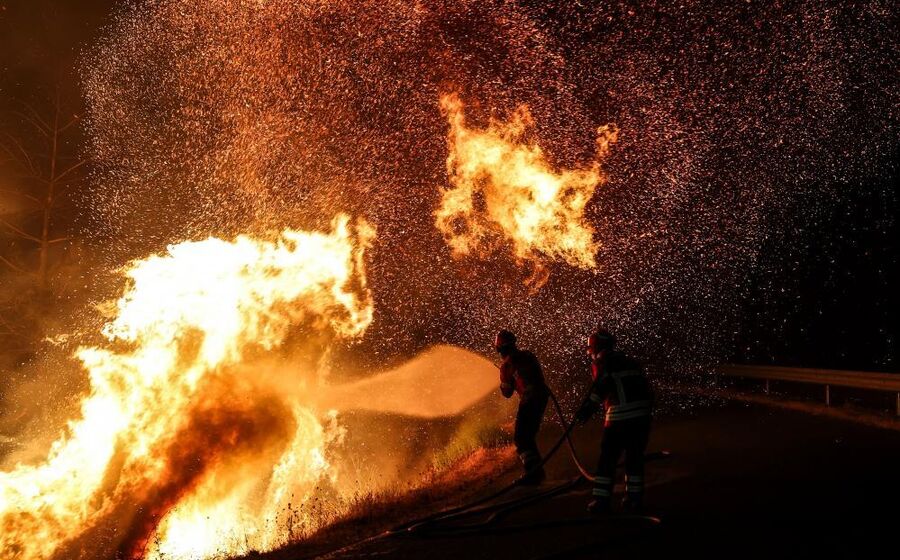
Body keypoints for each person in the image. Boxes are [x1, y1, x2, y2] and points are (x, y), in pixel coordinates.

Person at [575, 327, 653, 513]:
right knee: (634, 458)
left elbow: (600, 390)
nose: (589, 352)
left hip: (620, 417)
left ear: (596, 347)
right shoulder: (630, 361)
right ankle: (634, 500)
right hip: (642, 417)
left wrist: (585, 412)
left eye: (590, 348)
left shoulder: (601, 363)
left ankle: (601, 501)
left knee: (607, 459)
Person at [495, 329, 549, 485]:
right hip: (542, 396)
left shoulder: (506, 366)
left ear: (499, 349)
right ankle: (538, 473)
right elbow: (537, 376)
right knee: (528, 437)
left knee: (520, 439)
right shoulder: (528, 355)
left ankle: (534, 474)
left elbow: (507, 393)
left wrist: (505, 381)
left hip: (529, 400)